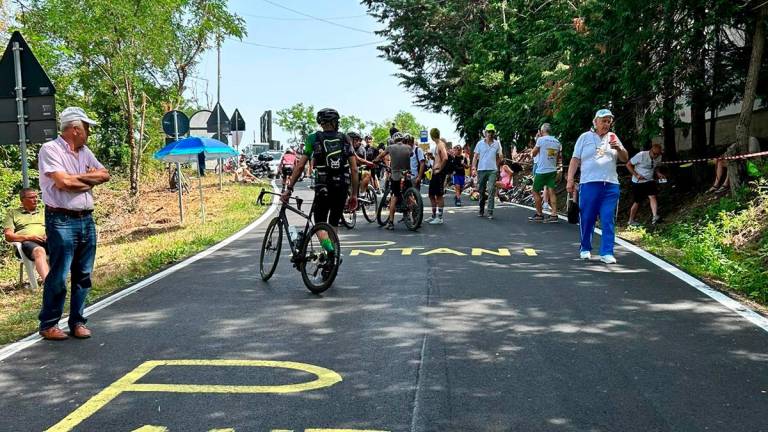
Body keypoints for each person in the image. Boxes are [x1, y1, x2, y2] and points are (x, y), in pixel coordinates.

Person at [37, 106, 111, 340]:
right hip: (61, 219)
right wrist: (89, 181)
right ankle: (49, 324)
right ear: (76, 129)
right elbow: (62, 183)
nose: (89, 132)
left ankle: (77, 321)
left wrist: (77, 179)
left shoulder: (85, 151)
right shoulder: (50, 150)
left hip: (86, 219)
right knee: (58, 274)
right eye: (87, 127)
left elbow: (105, 174)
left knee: (83, 274)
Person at [566, 109, 629, 264]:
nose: (606, 124)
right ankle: (585, 248)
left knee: (608, 218)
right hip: (589, 183)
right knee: (587, 218)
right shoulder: (585, 137)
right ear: (595, 122)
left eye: (609, 121)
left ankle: (607, 252)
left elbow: (625, 158)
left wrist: (619, 148)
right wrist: (570, 179)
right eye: (603, 121)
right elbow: (575, 160)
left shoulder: (613, 137)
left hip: (610, 184)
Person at [282, 108, 358, 234]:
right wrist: (354, 194)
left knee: (319, 223)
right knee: (334, 222)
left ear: (320, 122)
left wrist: (289, 188)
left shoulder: (313, 138)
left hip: (323, 185)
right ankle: (333, 252)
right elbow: (354, 169)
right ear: (336, 122)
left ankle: (329, 250)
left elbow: (300, 166)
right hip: (342, 185)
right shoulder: (345, 138)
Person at [4, 188, 48, 282]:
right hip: (27, 243)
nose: (35, 199)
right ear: (22, 200)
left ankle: (74, 279)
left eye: (36, 197)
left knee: (66, 244)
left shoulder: (43, 212)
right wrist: (29, 237)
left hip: (46, 240)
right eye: (31, 197)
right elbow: (8, 235)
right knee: (39, 251)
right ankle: (50, 284)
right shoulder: (13, 213)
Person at [373, 133, 412, 230]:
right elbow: (411, 154)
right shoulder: (408, 147)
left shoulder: (390, 147)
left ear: (394, 140)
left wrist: (376, 160)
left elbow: (380, 156)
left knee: (394, 196)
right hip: (406, 174)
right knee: (410, 194)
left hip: (396, 175)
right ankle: (415, 215)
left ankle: (391, 222)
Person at [529, 123, 562, 223]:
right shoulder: (557, 141)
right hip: (552, 169)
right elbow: (558, 157)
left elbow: (533, 153)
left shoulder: (541, 140)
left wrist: (537, 143)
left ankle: (539, 214)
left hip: (542, 170)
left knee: (535, 191)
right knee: (551, 191)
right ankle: (554, 214)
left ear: (542, 131)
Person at [627, 143, 665, 226]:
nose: (656, 156)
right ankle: (631, 221)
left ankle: (655, 217)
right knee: (637, 201)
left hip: (649, 180)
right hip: (638, 182)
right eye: (654, 154)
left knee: (653, 196)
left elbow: (656, 166)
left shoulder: (659, 157)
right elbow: (628, 164)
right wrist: (636, 175)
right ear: (650, 150)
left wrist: (658, 173)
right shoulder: (641, 155)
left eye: (658, 154)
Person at [472, 123, 503, 219]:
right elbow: (475, 157)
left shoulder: (497, 143)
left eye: (492, 132)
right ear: (485, 133)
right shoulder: (480, 143)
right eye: (488, 132)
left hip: (492, 170)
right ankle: (481, 209)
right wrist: (473, 168)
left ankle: (490, 212)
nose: (490, 133)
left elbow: (499, 156)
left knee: (491, 190)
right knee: (481, 191)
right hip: (481, 170)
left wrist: (497, 166)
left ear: (494, 133)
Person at [427, 128, 449, 224]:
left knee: (439, 195)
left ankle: (439, 218)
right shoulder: (437, 145)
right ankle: (434, 215)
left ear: (431, 136)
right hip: (435, 172)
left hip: (438, 173)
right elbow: (440, 158)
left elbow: (445, 158)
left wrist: (439, 169)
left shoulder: (440, 144)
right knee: (431, 194)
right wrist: (432, 157)